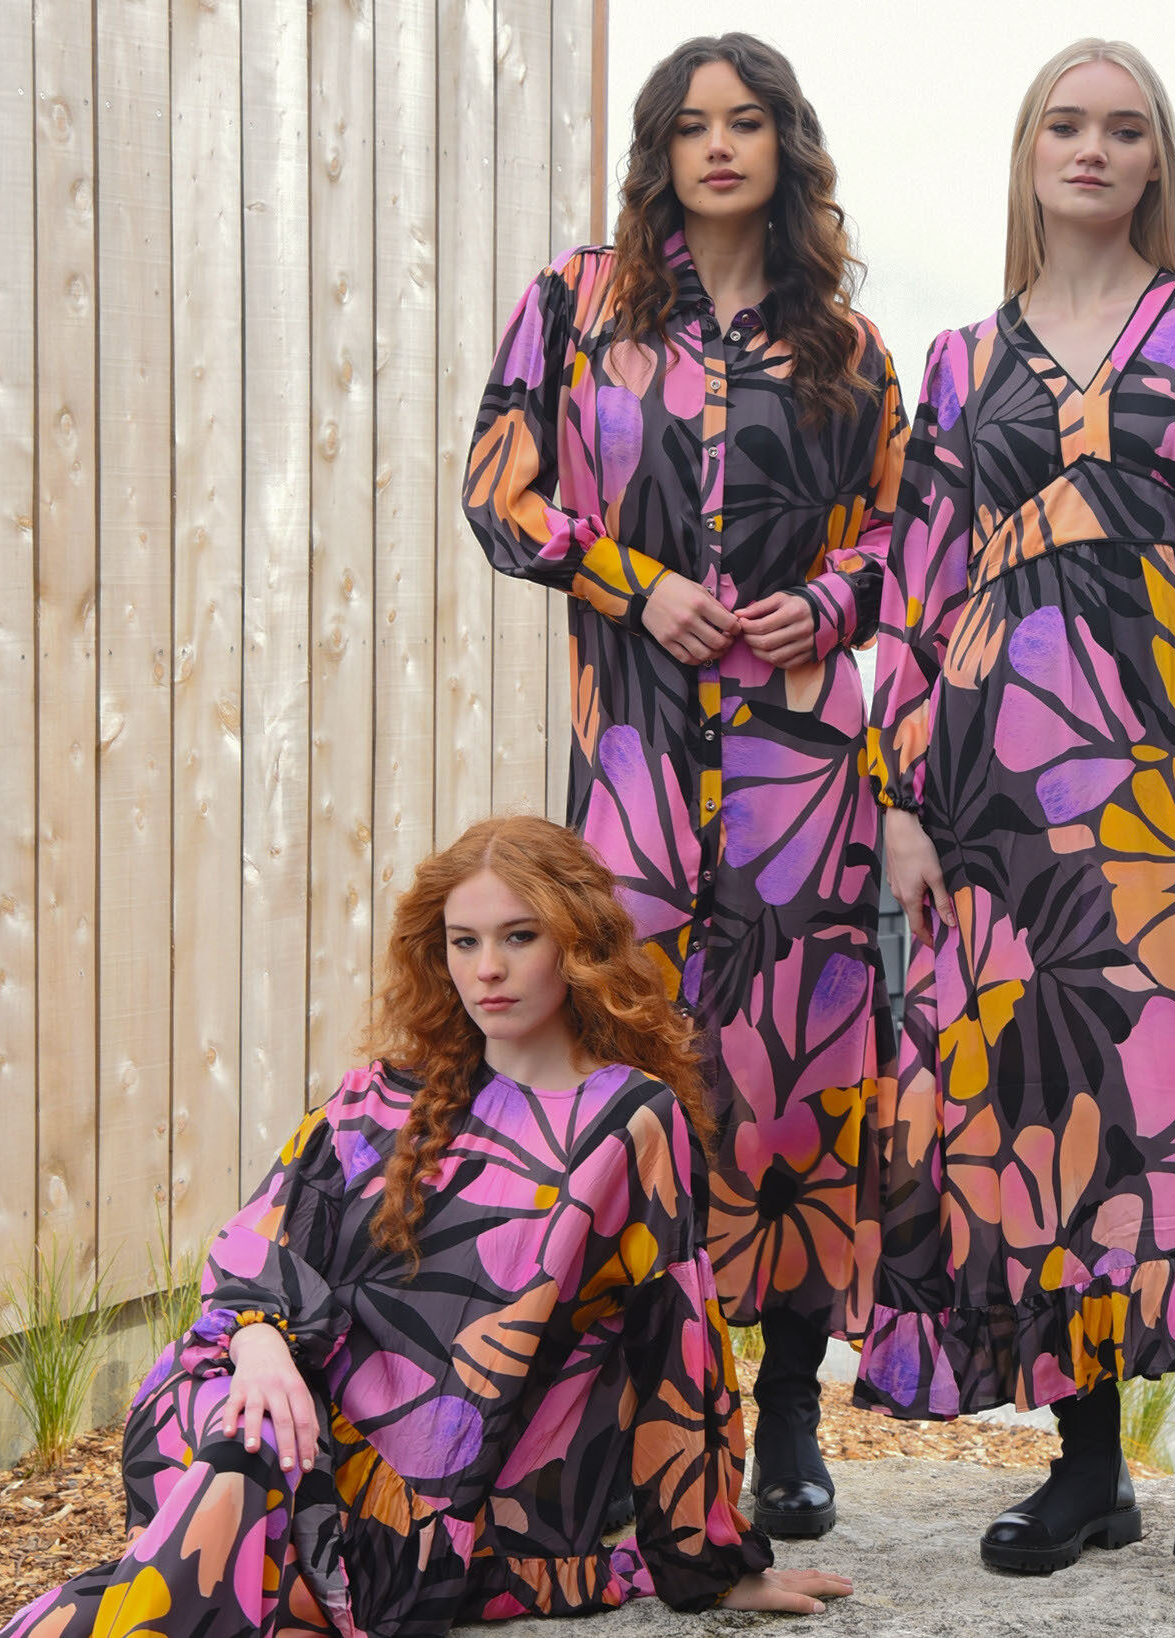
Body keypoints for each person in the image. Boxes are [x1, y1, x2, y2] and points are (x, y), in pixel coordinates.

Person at [856, 35, 1175, 1612]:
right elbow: (919, 586)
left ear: (1159, 160)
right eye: (1067, 125)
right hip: (1000, 796)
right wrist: (899, 798)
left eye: (1125, 129)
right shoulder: (958, 364)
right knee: (1048, 1107)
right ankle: (1088, 1471)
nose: (1093, 149)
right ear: (1029, 152)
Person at [0, 817, 854, 1638]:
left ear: (579, 944)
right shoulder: (380, 1095)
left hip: (425, 1498)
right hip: (277, 1397)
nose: (488, 969)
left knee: (245, 1467)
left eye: (520, 937)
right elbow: (263, 1240)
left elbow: (677, 1342)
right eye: (464, 941)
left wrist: (711, 1561)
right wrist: (257, 1344)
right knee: (239, 1424)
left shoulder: (630, 1120)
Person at [465, 33, 906, 1540]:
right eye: (694, 124)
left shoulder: (849, 348)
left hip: (801, 765)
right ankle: (638, 1400)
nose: (721, 146)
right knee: (630, 1058)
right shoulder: (577, 303)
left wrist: (829, 602)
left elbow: (902, 535)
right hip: (637, 753)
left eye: (749, 122)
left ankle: (787, 1411)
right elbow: (498, 492)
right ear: (659, 148)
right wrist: (634, 583)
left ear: (788, 145)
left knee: (800, 1074)